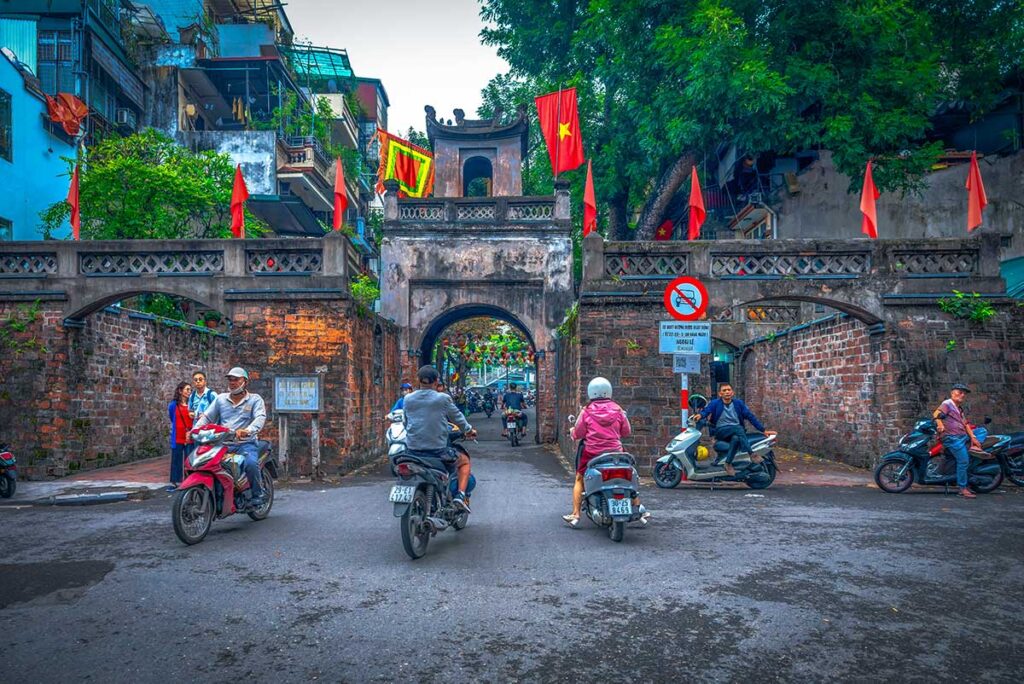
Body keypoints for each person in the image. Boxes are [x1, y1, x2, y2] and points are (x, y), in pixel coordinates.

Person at [563, 377, 650, 527]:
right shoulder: (618, 410)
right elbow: (626, 431)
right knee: (629, 474)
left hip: (592, 453)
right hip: (616, 452)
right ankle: (638, 506)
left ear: (591, 392)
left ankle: (576, 513)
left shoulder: (587, 411)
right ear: (608, 391)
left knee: (579, 478)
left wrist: (572, 432)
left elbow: (578, 433)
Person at [403, 365, 478, 512]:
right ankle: (460, 496)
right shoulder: (442, 399)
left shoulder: (408, 399)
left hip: (412, 451)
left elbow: (406, 422)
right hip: (437, 451)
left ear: (418, 380)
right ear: (437, 381)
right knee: (464, 462)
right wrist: (469, 430)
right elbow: (458, 419)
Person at [194, 367, 268, 507]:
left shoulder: (254, 400)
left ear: (245, 381)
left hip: (245, 444)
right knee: (204, 463)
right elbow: (207, 417)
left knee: (251, 464)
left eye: (236, 379)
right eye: (230, 379)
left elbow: (260, 418)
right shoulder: (221, 399)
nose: (232, 382)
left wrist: (248, 430)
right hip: (222, 444)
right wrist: (194, 430)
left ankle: (258, 494)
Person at [695, 383, 776, 476]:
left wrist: (763, 430)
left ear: (732, 392)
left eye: (729, 390)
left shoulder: (738, 404)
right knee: (738, 428)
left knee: (736, 438)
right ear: (720, 394)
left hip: (736, 432)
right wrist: (700, 415)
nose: (727, 392)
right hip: (721, 431)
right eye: (724, 390)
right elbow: (706, 411)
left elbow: (750, 416)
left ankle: (728, 463)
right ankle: (751, 454)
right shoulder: (715, 403)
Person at [933, 383, 983, 499]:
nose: (962, 395)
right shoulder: (947, 404)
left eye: (964, 393)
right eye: (959, 392)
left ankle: (971, 446)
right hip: (953, 438)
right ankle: (962, 488)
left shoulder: (959, 408)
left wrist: (974, 438)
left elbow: (965, 424)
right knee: (964, 461)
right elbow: (936, 414)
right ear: (952, 393)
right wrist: (940, 425)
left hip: (962, 436)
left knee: (982, 431)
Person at [167, 382, 193, 490]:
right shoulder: (173, 405)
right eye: (187, 389)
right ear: (180, 391)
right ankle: (175, 481)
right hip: (178, 436)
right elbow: (172, 417)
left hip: (189, 436)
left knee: (189, 459)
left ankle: (189, 480)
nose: (189, 392)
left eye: (190, 390)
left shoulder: (192, 404)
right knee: (176, 459)